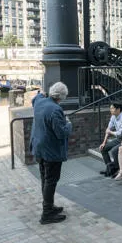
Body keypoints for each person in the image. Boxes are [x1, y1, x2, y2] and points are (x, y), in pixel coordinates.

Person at [30, 82, 72, 224]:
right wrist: (68, 125)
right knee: (51, 180)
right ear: (62, 97)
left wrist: (41, 93)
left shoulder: (39, 102)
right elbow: (61, 133)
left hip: (39, 148)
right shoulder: (56, 109)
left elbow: (34, 99)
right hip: (51, 151)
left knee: (45, 178)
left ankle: (49, 206)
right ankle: (47, 213)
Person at [95, 103, 122, 176]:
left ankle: (117, 169)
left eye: (112, 108)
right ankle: (110, 168)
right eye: (110, 108)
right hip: (118, 139)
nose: (110, 110)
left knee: (114, 150)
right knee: (103, 149)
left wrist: (110, 132)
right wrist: (104, 142)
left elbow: (120, 133)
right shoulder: (113, 117)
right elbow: (108, 129)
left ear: (118, 109)